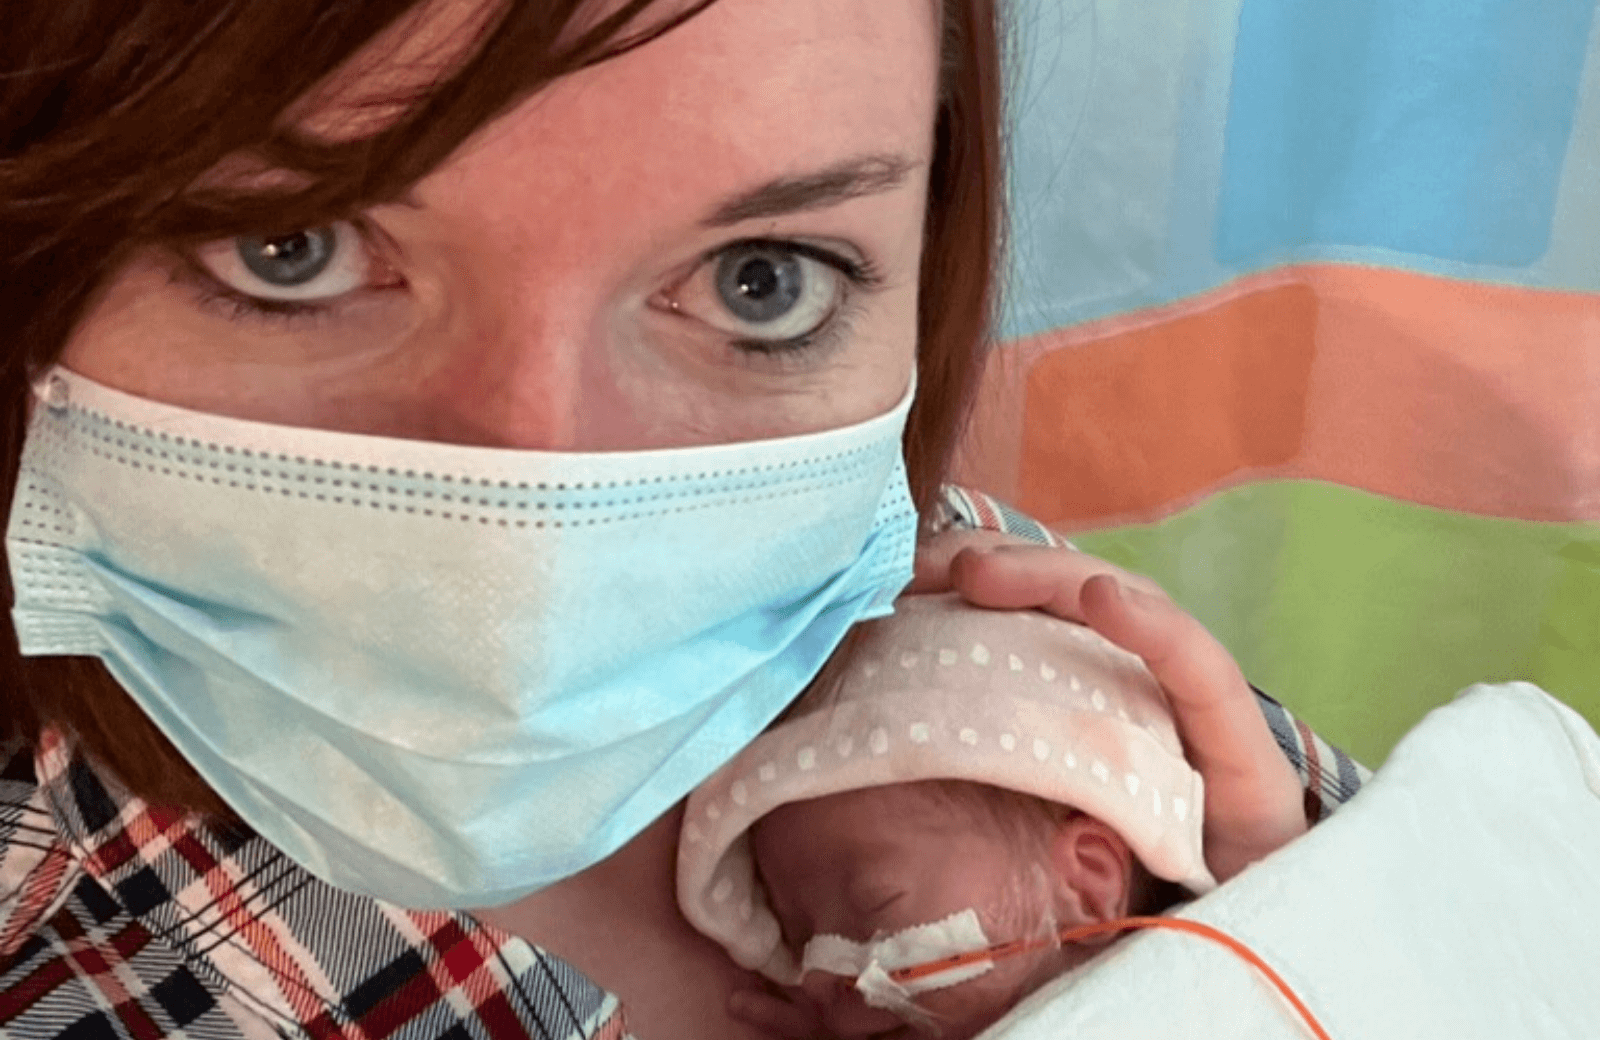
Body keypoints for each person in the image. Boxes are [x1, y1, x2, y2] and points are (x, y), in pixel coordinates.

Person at [0, 2, 1367, 1039]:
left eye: (760, 280)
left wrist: (1320, 956)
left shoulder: (1005, 634)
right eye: (291, 247)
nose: (534, 506)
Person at [678, 592, 1304, 1040]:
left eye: (877, 905)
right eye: (796, 937)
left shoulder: (1208, 1002)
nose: (823, 973)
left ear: (1088, 884)